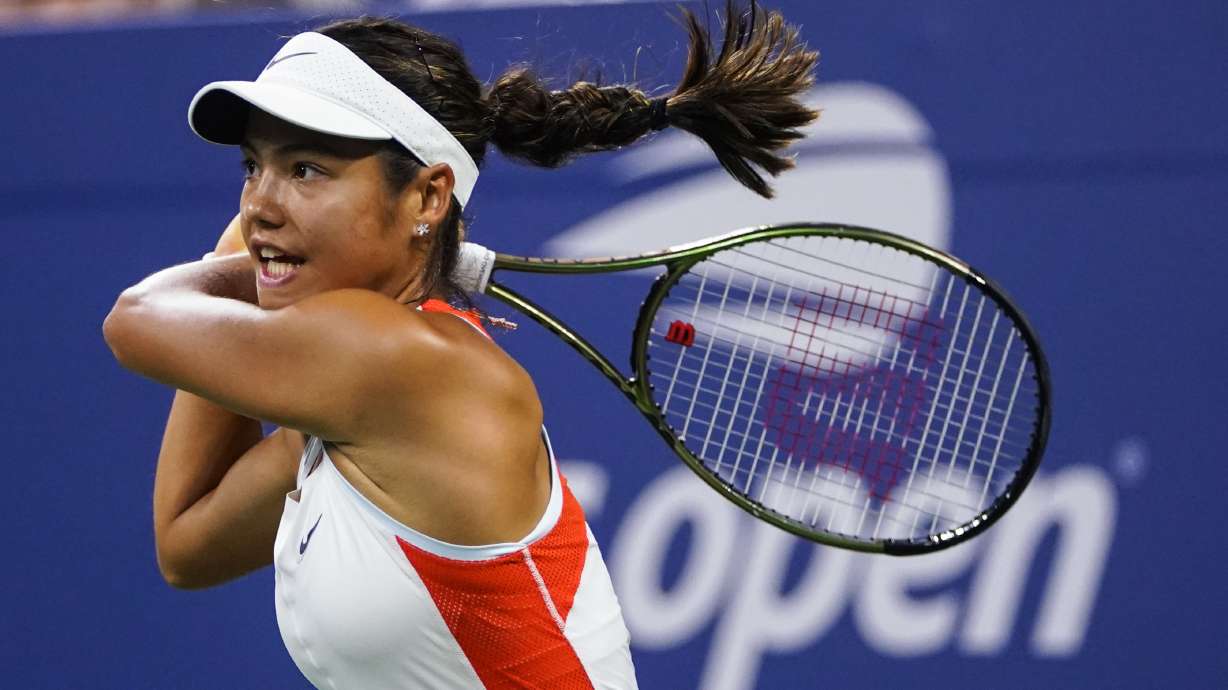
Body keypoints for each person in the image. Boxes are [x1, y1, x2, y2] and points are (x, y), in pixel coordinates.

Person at [103, 2, 817, 688]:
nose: (259, 200)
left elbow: (136, 317)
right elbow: (188, 543)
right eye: (251, 167)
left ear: (426, 198)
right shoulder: (344, 403)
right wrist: (272, 243)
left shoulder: (394, 364)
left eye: (307, 170)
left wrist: (259, 254)